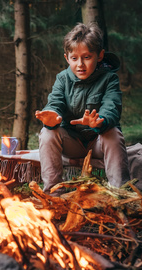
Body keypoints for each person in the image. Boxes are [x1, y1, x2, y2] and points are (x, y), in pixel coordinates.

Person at [35, 22, 130, 194]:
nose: (80, 64)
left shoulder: (109, 79)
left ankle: (120, 193)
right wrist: (52, 116)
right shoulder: (62, 79)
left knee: (113, 133)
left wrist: (99, 122)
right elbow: (55, 102)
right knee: (47, 133)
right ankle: (53, 193)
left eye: (87, 57)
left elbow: (112, 107)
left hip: (98, 143)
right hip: (72, 143)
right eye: (74, 58)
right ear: (67, 58)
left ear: (100, 56)